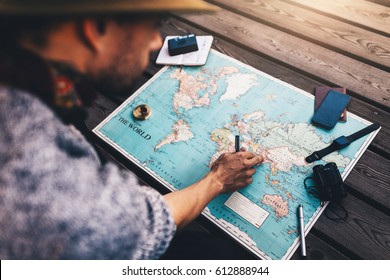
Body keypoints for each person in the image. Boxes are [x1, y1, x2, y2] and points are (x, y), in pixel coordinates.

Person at [0, 0, 263, 259]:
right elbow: (140, 228)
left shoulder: (32, 85)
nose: (156, 42)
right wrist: (217, 180)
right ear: (96, 28)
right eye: (151, 26)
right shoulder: (35, 166)